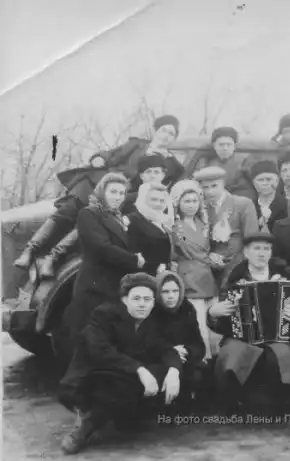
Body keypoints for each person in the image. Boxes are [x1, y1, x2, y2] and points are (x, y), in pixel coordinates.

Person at [13, 115, 182, 277]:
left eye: (171, 133)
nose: (166, 135)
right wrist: (99, 158)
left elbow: (166, 191)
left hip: (125, 195)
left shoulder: (174, 165)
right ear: (155, 131)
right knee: (69, 209)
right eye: (163, 130)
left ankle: (53, 258)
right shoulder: (137, 145)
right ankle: (30, 250)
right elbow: (111, 154)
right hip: (101, 182)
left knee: (94, 218)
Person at [58, 273, 182, 455]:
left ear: (153, 302)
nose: (142, 304)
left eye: (147, 299)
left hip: (121, 375)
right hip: (89, 379)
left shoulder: (151, 322)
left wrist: (174, 371)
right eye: (136, 298)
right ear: (125, 300)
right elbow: (101, 351)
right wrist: (140, 369)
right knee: (122, 384)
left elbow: (166, 348)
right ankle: (83, 430)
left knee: (159, 371)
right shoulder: (104, 315)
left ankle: (123, 419)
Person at [206, 232, 290, 419]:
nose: (262, 253)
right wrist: (213, 313)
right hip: (241, 338)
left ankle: (284, 407)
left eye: (266, 249)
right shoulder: (233, 280)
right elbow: (222, 324)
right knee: (232, 354)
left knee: (281, 356)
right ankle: (233, 407)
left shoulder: (284, 279)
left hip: (277, 337)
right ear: (246, 252)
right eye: (257, 248)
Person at [62, 173, 145, 352]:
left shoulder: (118, 217)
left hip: (113, 287)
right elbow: (101, 247)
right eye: (113, 192)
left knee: (108, 342)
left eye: (121, 193)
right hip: (95, 288)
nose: (118, 197)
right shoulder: (89, 214)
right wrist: (133, 259)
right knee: (89, 341)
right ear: (102, 192)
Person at [170, 179, 219, 360]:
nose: (191, 205)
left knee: (214, 324)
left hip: (207, 278)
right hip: (189, 277)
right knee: (198, 325)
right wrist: (211, 259)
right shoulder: (175, 226)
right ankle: (202, 361)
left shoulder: (204, 224)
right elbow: (187, 252)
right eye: (186, 201)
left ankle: (216, 361)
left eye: (194, 201)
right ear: (178, 203)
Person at [193, 166, 259, 284]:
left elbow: (252, 240)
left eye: (214, 186)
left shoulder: (243, 204)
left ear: (223, 183)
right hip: (210, 265)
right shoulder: (200, 208)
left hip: (239, 263)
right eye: (205, 187)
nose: (210, 191)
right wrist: (209, 256)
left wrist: (240, 265)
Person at [154, 271, 209, 411]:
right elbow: (151, 343)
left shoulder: (187, 308)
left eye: (175, 291)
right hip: (160, 360)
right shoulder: (152, 311)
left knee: (201, 374)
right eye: (165, 291)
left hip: (186, 359)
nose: (171, 296)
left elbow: (199, 344)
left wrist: (186, 351)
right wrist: (173, 352)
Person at [126, 183, 175, 276]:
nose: (158, 204)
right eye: (153, 199)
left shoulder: (164, 221)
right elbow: (130, 254)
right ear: (143, 199)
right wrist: (156, 267)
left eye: (162, 201)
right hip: (142, 276)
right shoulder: (132, 220)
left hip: (163, 276)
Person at [194, 126, 255, 200]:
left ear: (234, 146)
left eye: (229, 145)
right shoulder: (205, 162)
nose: (225, 148)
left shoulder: (244, 162)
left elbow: (248, 191)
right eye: (221, 145)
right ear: (214, 145)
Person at [250, 160, 288, 233]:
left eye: (269, 179)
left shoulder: (287, 205)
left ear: (277, 181)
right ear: (253, 183)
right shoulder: (249, 205)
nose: (265, 183)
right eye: (260, 180)